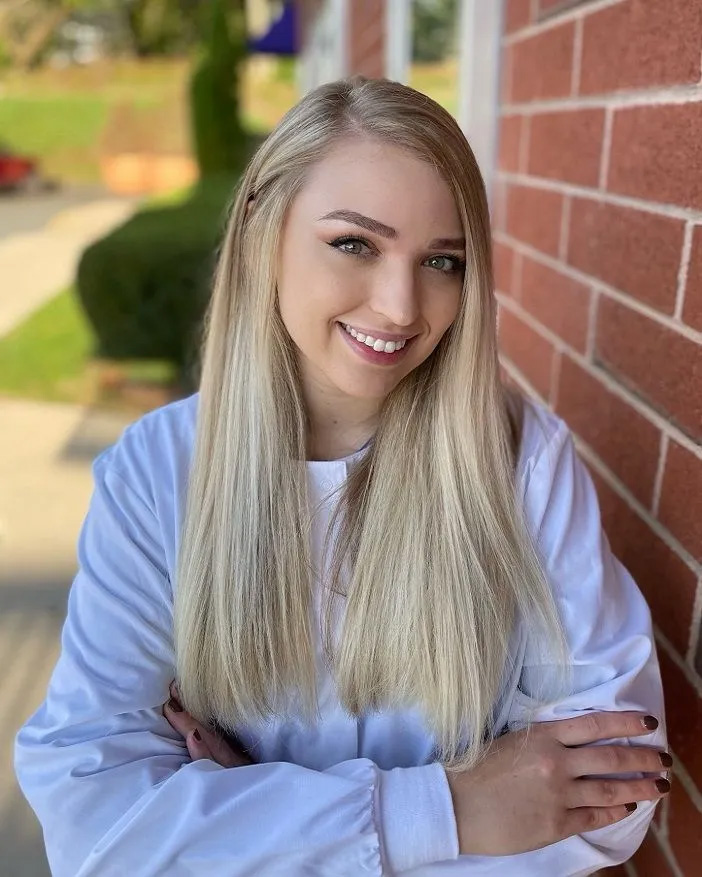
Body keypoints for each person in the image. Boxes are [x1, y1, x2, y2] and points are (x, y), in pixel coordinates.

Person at [14, 76, 668, 876]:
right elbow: (93, 816)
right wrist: (451, 807)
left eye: (443, 260)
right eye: (355, 243)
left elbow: (612, 799)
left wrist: (248, 816)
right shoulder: (157, 474)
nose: (400, 305)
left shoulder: (523, 461)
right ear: (263, 228)